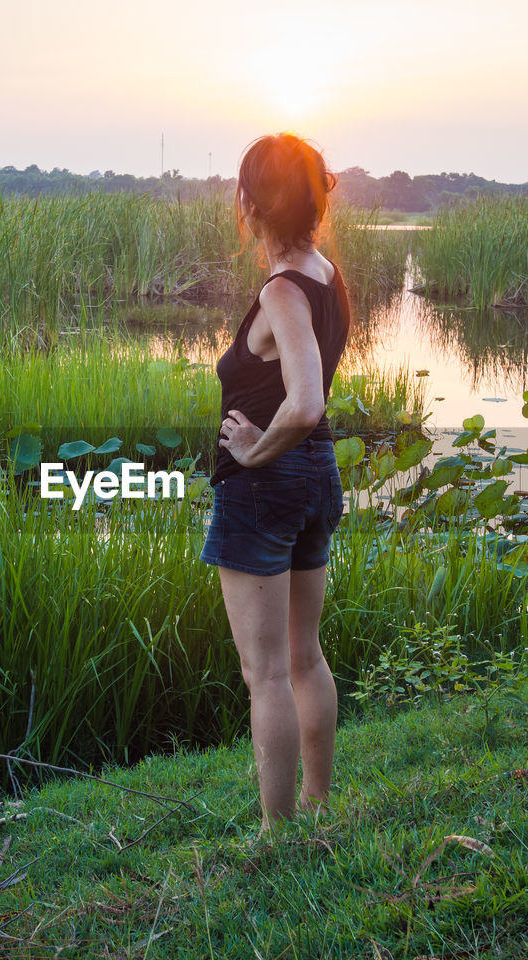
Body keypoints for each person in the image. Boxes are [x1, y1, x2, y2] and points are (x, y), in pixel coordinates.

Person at [200, 133, 351, 833]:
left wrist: (255, 452)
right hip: (317, 476)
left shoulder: (284, 290)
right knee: (302, 655)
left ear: (251, 205)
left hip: (267, 486)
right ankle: (317, 807)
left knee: (266, 673)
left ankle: (277, 834)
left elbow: (306, 400)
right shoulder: (326, 275)